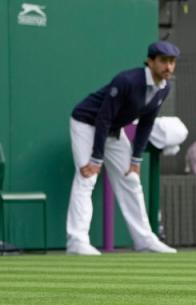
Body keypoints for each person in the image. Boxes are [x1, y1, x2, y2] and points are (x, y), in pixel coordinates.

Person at [67, 41, 180, 255]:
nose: (168, 67)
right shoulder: (127, 80)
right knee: (87, 177)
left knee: (131, 179)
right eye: (164, 61)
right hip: (86, 123)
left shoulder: (165, 88)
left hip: (112, 130)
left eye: (172, 62)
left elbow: (147, 122)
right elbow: (103, 118)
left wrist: (136, 159)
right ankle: (77, 241)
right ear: (150, 61)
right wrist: (96, 159)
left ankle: (144, 240)